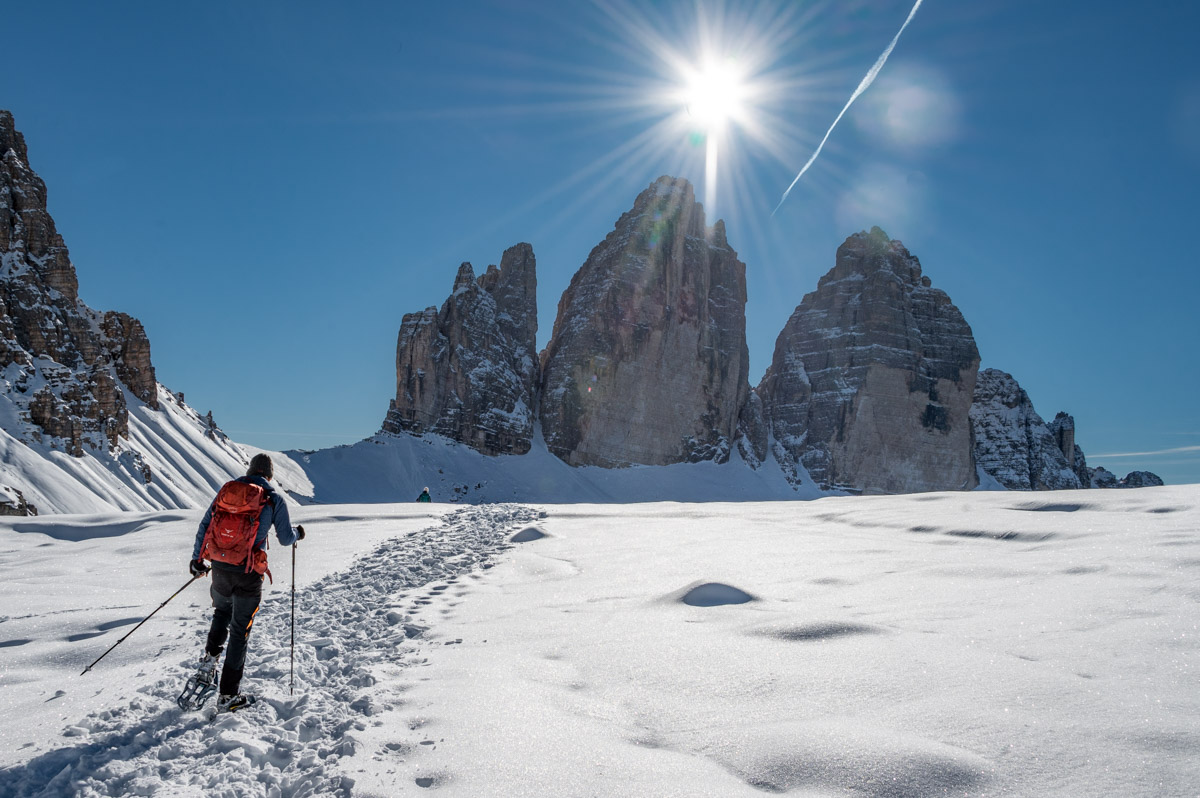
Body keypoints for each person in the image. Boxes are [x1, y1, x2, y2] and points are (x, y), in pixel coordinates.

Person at [189, 453, 304, 712]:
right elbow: (285, 538)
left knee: (221, 612)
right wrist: (298, 533)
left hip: (219, 566)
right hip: (248, 572)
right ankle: (228, 695)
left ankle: (208, 665)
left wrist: (198, 559)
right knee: (240, 631)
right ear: (270, 475)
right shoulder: (273, 498)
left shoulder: (229, 491)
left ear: (249, 470)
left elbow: (205, 525)